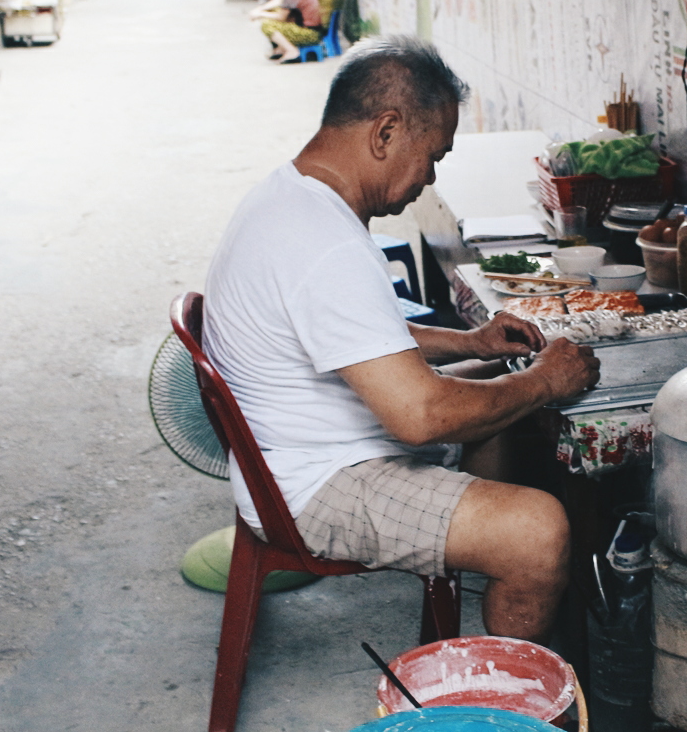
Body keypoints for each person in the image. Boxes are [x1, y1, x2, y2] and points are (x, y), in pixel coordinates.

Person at [203, 37, 599, 641]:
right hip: (315, 484)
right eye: (432, 155)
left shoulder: (294, 198)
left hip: (303, 449)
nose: (430, 177)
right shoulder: (322, 240)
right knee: (538, 530)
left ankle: (487, 580)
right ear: (386, 133)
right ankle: (502, 700)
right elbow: (421, 417)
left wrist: (475, 344)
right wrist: (544, 380)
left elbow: (355, 331)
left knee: (494, 392)